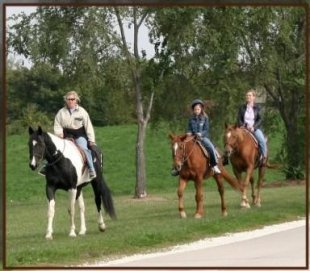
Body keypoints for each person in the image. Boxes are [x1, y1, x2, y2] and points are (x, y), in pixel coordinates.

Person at [171, 99, 221, 176]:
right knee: (180, 147)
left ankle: (214, 166)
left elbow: (206, 129)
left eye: (198, 109)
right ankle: (178, 168)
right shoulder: (191, 119)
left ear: (201, 109)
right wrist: (189, 132)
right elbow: (189, 128)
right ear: (193, 110)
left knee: (210, 147)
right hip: (192, 137)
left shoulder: (205, 118)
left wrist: (201, 134)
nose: (197, 111)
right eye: (195, 109)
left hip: (202, 138)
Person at [54, 91, 97, 179]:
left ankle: (91, 169)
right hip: (65, 136)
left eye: (72, 99)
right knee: (54, 150)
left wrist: (91, 140)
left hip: (79, 135)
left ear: (76, 100)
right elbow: (57, 124)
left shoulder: (82, 112)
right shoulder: (61, 112)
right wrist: (59, 134)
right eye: (68, 99)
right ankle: (47, 168)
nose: (70, 101)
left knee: (84, 149)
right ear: (66, 100)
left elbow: (88, 126)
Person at [237, 89, 267, 165]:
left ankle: (264, 157)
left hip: (254, 129)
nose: (248, 97)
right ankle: (227, 157)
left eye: (250, 95)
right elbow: (239, 118)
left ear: (254, 97)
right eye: (247, 95)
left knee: (262, 140)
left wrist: (254, 127)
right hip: (243, 128)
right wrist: (242, 126)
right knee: (232, 138)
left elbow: (260, 119)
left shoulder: (258, 107)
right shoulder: (242, 107)